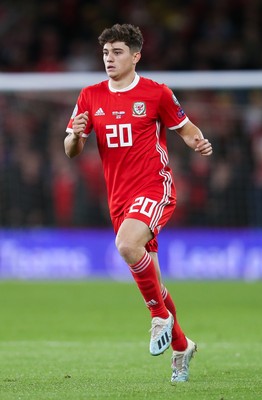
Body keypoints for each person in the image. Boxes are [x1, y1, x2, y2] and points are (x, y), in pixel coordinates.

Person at [64, 23, 213, 383]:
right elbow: (71, 150)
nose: (109, 59)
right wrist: (76, 133)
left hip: (153, 186)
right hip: (119, 198)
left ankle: (158, 318)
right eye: (105, 53)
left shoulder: (156, 93)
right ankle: (181, 346)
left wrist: (198, 142)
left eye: (117, 52)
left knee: (127, 245)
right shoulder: (89, 96)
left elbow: (186, 127)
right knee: (154, 282)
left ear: (135, 55)